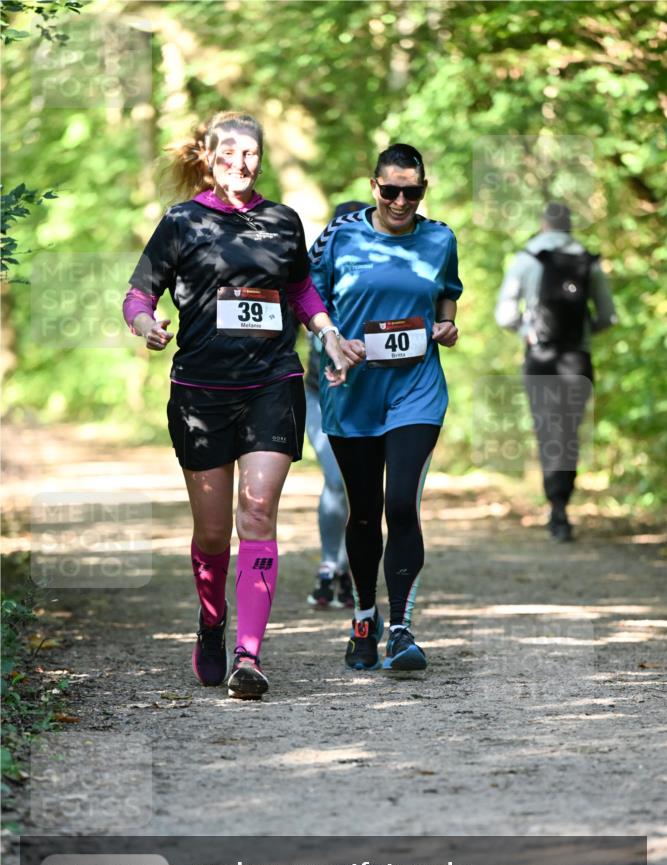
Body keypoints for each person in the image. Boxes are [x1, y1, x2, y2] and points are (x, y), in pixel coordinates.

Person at [123, 111, 353, 699]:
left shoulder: (282, 221)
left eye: (250, 153)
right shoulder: (182, 221)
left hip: (272, 382)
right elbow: (138, 294)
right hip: (201, 392)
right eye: (228, 153)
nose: (239, 163)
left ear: (261, 158)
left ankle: (248, 656)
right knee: (211, 533)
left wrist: (327, 333)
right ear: (209, 158)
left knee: (257, 513)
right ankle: (211, 620)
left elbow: (300, 290)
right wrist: (147, 324)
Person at [309, 144, 463, 672]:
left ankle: (401, 628)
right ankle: (362, 619)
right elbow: (308, 299)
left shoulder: (440, 237)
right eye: (391, 190)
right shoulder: (340, 235)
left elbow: (447, 292)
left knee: (400, 503)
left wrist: (447, 323)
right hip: (352, 392)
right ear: (374, 186)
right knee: (363, 513)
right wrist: (332, 342)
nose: (401, 201)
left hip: (417, 389)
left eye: (411, 192)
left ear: (423, 190)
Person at [495, 202, 616, 541]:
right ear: (570, 225)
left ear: (543, 224)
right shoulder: (588, 260)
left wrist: (527, 331)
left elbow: (505, 315)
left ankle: (555, 507)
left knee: (547, 427)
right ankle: (563, 502)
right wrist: (584, 332)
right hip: (578, 357)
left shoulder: (527, 257)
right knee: (569, 430)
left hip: (541, 356)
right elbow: (608, 315)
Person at [304, 201, 368, 610]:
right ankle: (331, 565)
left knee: (361, 487)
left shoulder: (381, 279)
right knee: (335, 478)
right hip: (319, 394)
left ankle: (350, 567)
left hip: (371, 399)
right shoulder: (313, 276)